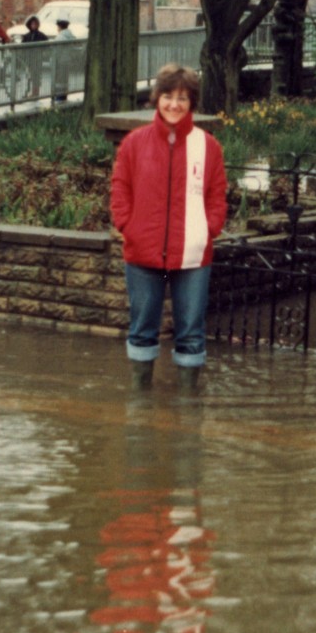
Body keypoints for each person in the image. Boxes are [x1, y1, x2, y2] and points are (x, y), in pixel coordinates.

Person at [110, 64, 227, 392]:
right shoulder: (134, 143)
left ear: (192, 104)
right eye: (167, 96)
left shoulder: (208, 147)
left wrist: (210, 229)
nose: (174, 104)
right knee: (143, 327)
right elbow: (121, 188)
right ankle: (139, 399)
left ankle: (188, 405)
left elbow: (217, 195)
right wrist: (126, 225)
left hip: (191, 254)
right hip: (143, 252)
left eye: (182, 98)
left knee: (190, 330)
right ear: (156, 99)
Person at [21, 15, 49, 98]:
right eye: (32, 24)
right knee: (31, 76)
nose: (34, 26)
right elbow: (23, 48)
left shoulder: (42, 36)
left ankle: (35, 92)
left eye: (35, 24)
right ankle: (31, 91)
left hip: (37, 58)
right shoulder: (26, 36)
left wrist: (43, 54)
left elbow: (46, 47)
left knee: (36, 76)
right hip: (29, 58)